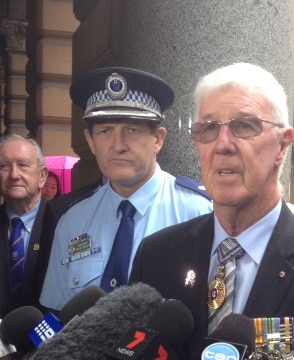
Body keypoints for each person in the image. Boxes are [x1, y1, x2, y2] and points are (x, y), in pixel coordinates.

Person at [129, 63, 294, 360]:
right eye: (209, 128)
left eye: (245, 126)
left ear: (283, 144)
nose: (223, 144)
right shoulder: (156, 256)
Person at [40, 67, 213, 311]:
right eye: (105, 131)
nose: (118, 145)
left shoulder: (199, 213)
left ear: (158, 139)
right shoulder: (72, 221)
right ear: (90, 140)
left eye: (132, 130)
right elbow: (57, 315)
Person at [0, 135, 58, 316]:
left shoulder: (64, 224)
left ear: (42, 176)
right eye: (4, 166)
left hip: (49, 339)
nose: (14, 175)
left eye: (23, 165)